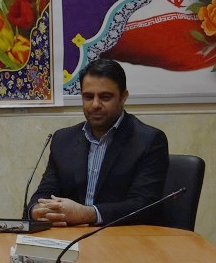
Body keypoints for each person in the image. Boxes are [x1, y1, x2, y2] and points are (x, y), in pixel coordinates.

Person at [28, 58, 169, 226]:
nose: (95, 104)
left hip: (123, 237)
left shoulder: (149, 141)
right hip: (70, 236)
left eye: (105, 97)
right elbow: (44, 193)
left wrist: (88, 214)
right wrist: (36, 211)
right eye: (88, 97)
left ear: (123, 97)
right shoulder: (63, 139)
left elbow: (143, 206)